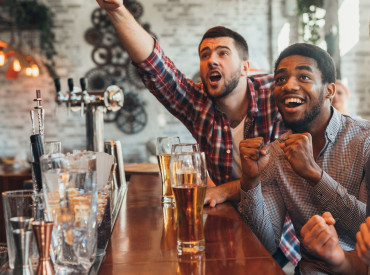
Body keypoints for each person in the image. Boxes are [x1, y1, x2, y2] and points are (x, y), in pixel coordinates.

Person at [96, 0, 300, 266]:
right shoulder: (198, 104)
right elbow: (155, 68)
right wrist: (117, 9)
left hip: (285, 242)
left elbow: (286, 174)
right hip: (232, 229)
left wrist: (225, 190)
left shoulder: (277, 94)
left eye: (222, 53)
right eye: (205, 55)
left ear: (245, 68)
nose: (211, 59)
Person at [238, 42, 370, 274]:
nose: (288, 85)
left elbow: (365, 229)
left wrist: (314, 175)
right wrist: (250, 181)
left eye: (304, 77)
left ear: (330, 90)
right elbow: (265, 244)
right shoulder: (275, 154)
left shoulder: (365, 141)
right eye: (280, 79)